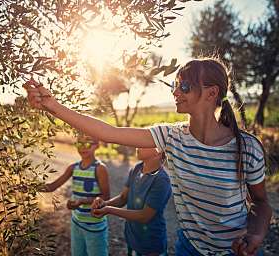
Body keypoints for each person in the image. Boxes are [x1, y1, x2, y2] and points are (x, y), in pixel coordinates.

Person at [23, 57, 272, 256]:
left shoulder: (247, 148)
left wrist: (255, 236)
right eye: (175, 85)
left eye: (184, 86)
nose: (176, 92)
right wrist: (52, 106)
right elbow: (108, 132)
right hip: (189, 248)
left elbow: (260, 204)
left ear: (211, 93)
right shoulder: (171, 137)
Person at [91, 147, 172, 256]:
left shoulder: (162, 180)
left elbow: (144, 216)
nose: (138, 146)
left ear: (159, 152)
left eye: (144, 144)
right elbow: (123, 198)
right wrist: (104, 203)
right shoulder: (136, 169)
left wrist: (109, 210)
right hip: (132, 238)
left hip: (150, 244)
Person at [40, 134, 110, 256]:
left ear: (97, 146)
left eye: (88, 144)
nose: (83, 147)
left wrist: (82, 201)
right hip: (76, 222)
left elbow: (106, 197)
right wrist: (29, 187)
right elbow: (52, 186)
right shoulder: (73, 167)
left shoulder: (99, 168)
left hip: (94, 225)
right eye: (79, 143)